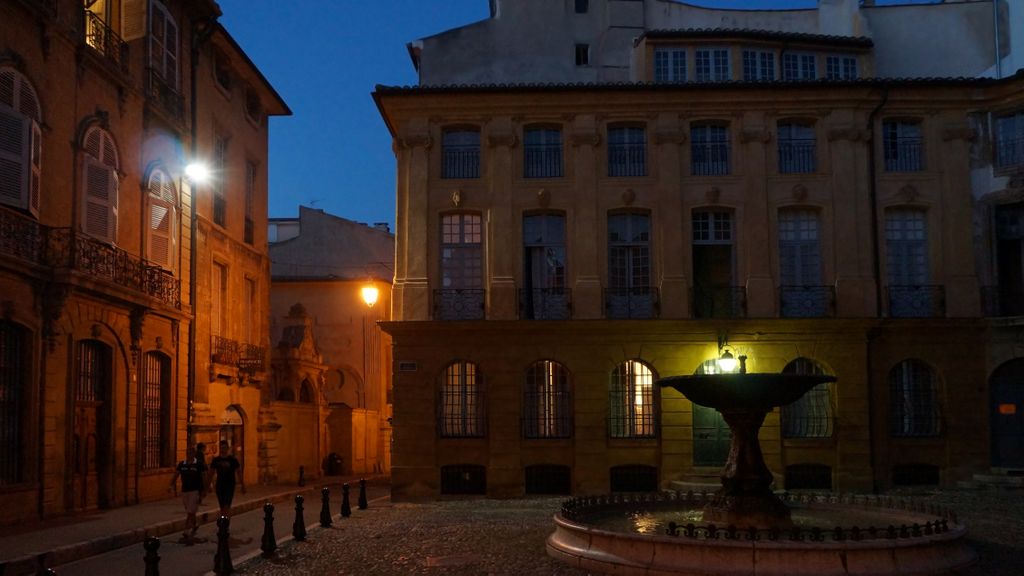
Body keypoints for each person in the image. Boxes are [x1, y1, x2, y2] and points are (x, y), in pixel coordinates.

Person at [169, 444, 206, 544]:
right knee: (190, 510)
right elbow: (176, 475)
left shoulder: (198, 464)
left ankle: (186, 530)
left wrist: (204, 490)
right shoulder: (182, 464)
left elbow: (203, 477)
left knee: (190, 511)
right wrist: (171, 485)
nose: (189, 455)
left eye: (191, 453)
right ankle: (194, 524)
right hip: (185, 491)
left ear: (194, 454)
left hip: (195, 491)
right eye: (187, 453)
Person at [208, 440, 245, 517]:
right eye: (221, 448)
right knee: (222, 505)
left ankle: (225, 523)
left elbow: (239, 472)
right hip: (220, 485)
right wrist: (208, 485)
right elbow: (211, 473)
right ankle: (223, 521)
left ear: (227, 448)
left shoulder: (233, 460)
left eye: (224, 448)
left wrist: (242, 485)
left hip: (230, 485)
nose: (223, 449)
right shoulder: (216, 460)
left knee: (227, 505)